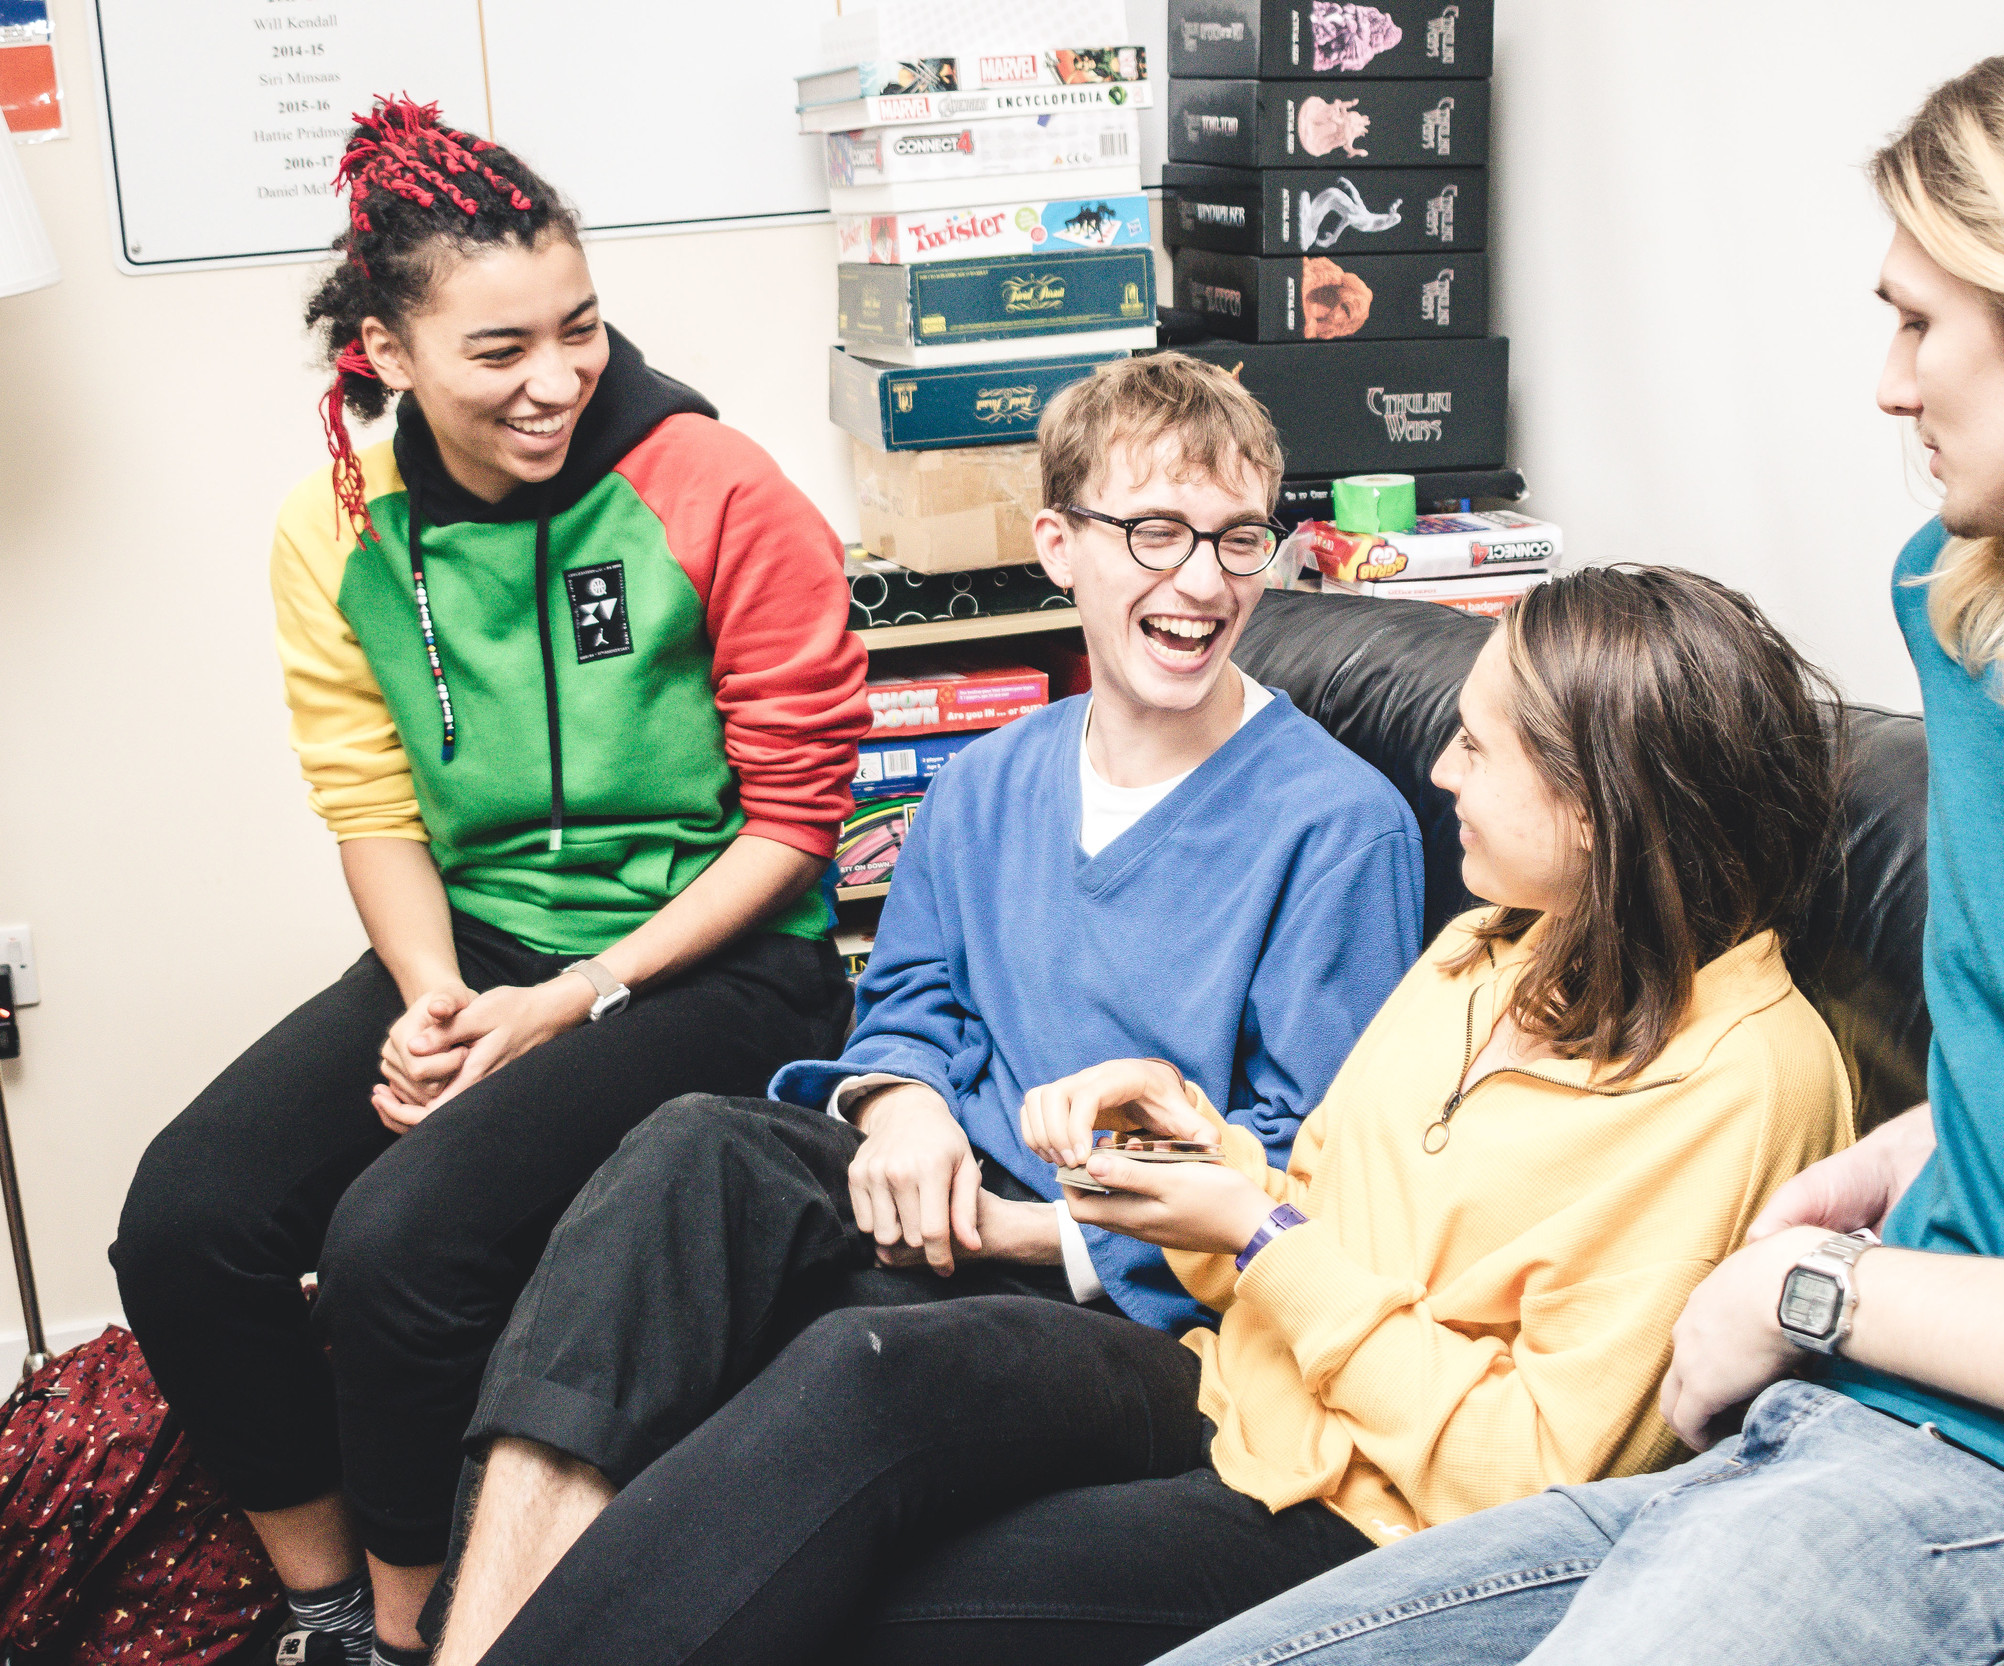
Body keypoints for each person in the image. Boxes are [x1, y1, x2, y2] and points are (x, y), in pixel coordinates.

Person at [1147, 25, 2004, 1666]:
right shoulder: (1970, 598)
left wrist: (1815, 1292)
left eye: (1921, 325)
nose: (1889, 380)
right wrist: (1871, 1176)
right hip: (1866, 1432)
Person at [435, 564, 1855, 1666]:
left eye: (1480, 751)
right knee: (862, 1365)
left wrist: (1260, 1224)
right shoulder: (1501, 945)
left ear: (1603, 803)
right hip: (1236, 1381)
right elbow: (1313, 1191)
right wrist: (1197, 1146)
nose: (1441, 773)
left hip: (1359, 1518)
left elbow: (1532, 1471)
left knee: (854, 1596)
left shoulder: (1749, 1081)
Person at [425, 352, 1432, 1662]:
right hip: (944, 1205)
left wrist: (1026, 1228)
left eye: (1240, 538)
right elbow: (907, 995)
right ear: (1057, 545)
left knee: (863, 1359)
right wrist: (903, 1108)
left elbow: (1310, 1170)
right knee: (691, 1149)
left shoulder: (1339, 828)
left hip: (1150, 1321)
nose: (1202, 581)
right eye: (1158, 534)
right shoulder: (990, 774)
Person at [107, 95, 864, 1666]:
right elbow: (371, 795)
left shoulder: (716, 483)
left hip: (717, 964)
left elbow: (795, 823)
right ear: (386, 351)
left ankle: (409, 1631)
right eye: (498, 350)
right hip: (479, 942)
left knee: (399, 1242)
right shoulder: (336, 527)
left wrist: (574, 998)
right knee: (186, 1221)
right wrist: (438, 994)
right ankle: (316, 1603)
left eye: (578, 331)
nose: (556, 380)